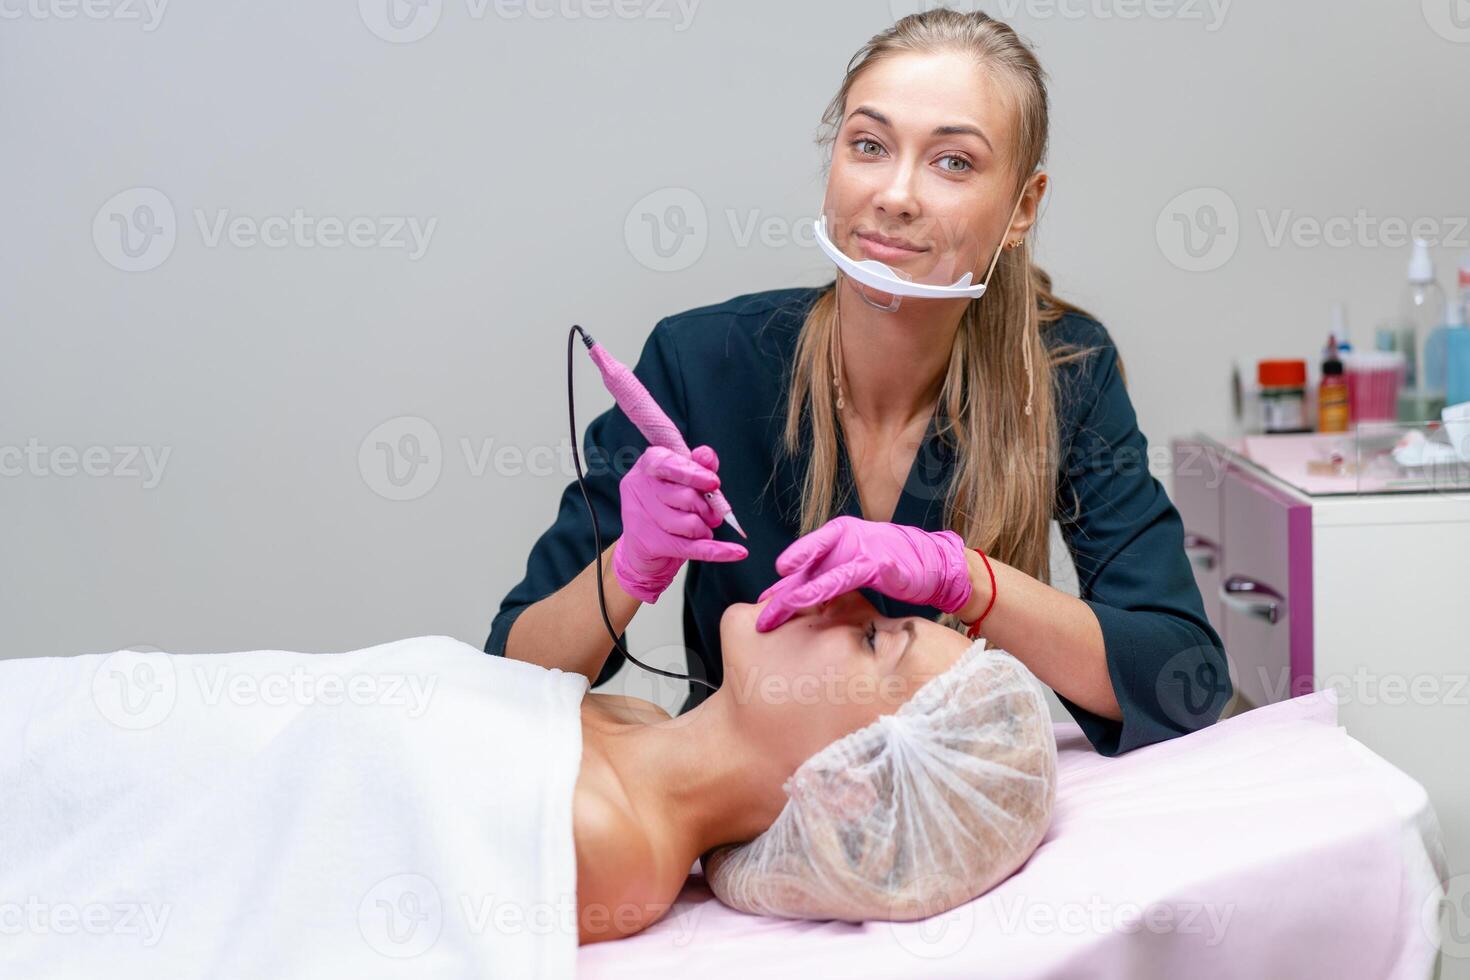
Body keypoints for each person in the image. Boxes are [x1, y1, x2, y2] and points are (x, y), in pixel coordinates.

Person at [489, 8, 1231, 756]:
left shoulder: (1066, 372)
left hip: (950, 807)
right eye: (869, 146)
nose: (897, 194)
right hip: (750, 816)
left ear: (1022, 208)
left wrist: (966, 579)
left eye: (954, 162)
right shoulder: (701, 362)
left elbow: (1186, 684)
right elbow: (509, 679)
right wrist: (628, 564)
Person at [573, 590, 1055, 943]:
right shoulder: (636, 714)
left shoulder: (605, 842)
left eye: (872, 639)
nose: (846, 593)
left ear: (847, 788)